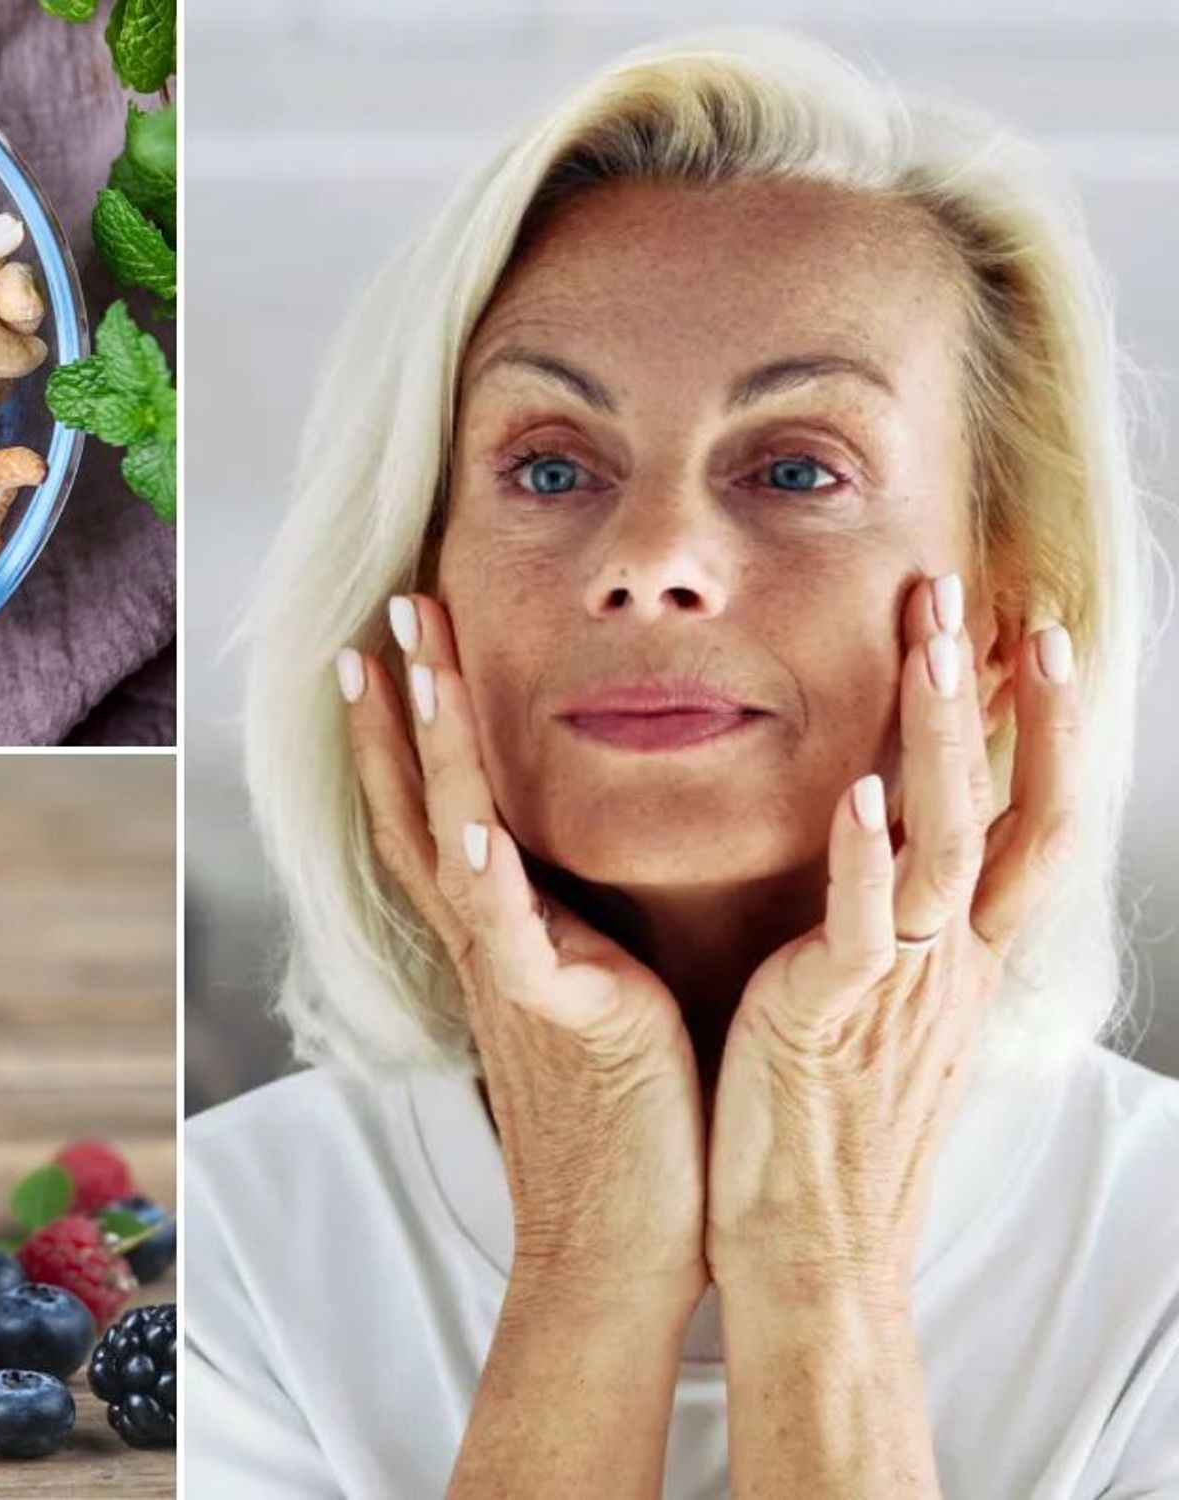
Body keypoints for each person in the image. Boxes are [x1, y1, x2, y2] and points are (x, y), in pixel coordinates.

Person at [186, 25, 1179, 1498]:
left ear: (1005, 616)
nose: (651, 561)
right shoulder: (215, 1247)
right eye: (548, 466)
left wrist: (819, 1266)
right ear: (416, 580)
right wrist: (591, 1254)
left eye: (796, 470)